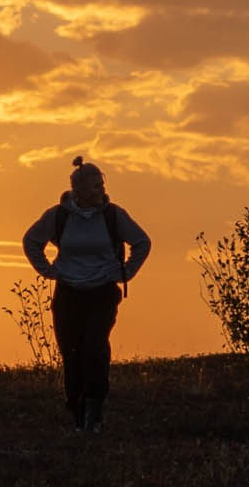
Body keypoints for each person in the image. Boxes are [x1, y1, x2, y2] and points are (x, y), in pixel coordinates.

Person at [21, 157, 152, 433]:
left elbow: (142, 242)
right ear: (77, 189)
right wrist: (48, 271)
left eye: (101, 185)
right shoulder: (58, 215)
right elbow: (31, 241)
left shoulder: (113, 215)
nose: (100, 191)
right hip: (68, 291)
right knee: (71, 352)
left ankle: (95, 409)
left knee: (94, 347)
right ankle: (76, 410)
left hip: (103, 291)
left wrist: (125, 272)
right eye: (94, 186)